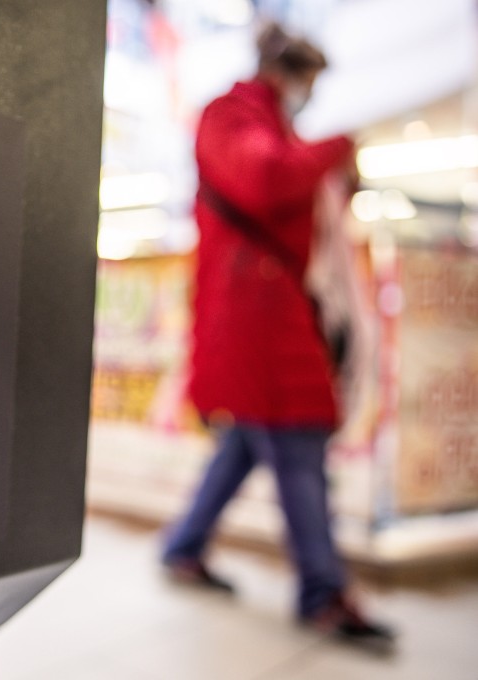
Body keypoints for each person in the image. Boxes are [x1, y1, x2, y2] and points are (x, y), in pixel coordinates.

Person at [160, 21, 394, 649]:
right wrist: (334, 150)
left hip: (265, 307)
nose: (310, 97)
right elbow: (262, 182)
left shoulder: (271, 125)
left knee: (247, 441)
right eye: (308, 83)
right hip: (252, 312)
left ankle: (183, 547)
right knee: (297, 433)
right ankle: (323, 590)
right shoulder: (230, 116)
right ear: (286, 74)